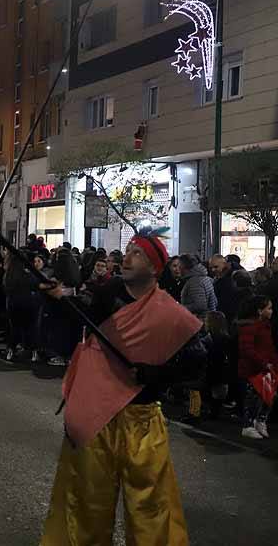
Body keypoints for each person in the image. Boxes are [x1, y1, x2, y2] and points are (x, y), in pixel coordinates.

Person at [39, 232, 206, 545]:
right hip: (97, 416)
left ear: (156, 268)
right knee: (88, 503)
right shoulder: (107, 294)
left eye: (137, 254)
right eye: (127, 251)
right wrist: (59, 298)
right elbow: (82, 318)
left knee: (151, 507)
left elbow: (196, 360)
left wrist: (154, 374)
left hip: (142, 420)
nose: (127, 258)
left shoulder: (168, 311)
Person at [237, 295, 276, 439]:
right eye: (269, 308)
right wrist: (263, 362)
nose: (272, 311)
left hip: (265, 368)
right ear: (259, 311)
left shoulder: (265, 326)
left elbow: (269, 348)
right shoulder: (250, 327)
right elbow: (247, 349)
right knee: (253, 398)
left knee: (267, 396)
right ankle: (247, 425)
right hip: (252, 369)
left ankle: (260, 421)